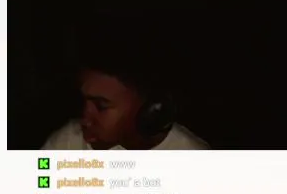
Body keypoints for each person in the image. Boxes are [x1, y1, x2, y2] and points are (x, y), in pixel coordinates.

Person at [41, 60, 209, 150]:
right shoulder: (68, 141)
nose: (85, 119)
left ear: (151, 110)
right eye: (83, 101)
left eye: (101, 106)